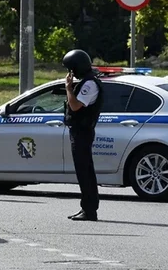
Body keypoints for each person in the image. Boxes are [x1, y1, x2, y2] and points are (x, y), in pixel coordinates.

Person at [62, 49, 104, 221]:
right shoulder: (87, 82)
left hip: (83, 131)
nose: (70, 73)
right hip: (80, 131)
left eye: (71, 69)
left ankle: (89, 210)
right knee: (84, 170)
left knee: (84, 171)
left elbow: (75, 106)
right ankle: (87, 208)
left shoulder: (89, 84)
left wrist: (68, 89)